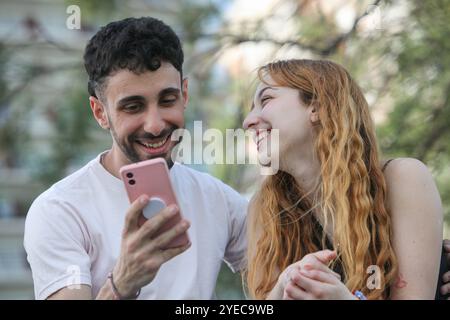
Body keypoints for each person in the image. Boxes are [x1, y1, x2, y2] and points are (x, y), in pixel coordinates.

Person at [23, 17, 248, 300]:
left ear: (185, 94)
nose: (155, 125)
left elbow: (279, 278)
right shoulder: (59, 211)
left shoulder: (218, 199)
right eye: (133, 107)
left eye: (167, 100)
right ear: (100, 112)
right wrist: (122, 283)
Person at [243, 59, 449, 300]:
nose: (248, 122)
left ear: (317, 108)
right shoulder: (264, 210)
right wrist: (282, 288)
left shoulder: (403, 180)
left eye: (266, 100)